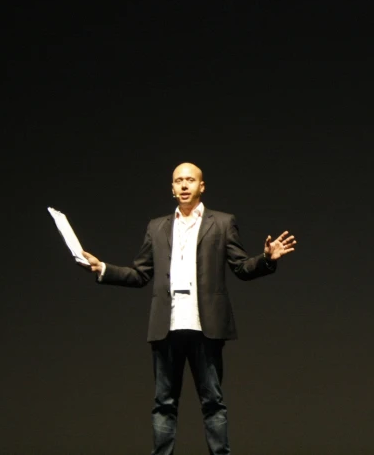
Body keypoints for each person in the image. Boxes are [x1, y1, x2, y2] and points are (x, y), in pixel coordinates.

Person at [78, 162, 297, 455]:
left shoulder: (221, 222)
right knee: (164, 403)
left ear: (201, 186)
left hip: (205, 326)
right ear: (172, 188)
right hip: (166, 326)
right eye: (178, 181)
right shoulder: (156, 227)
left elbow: (241, 267)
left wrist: (267, 259)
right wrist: (102, 267)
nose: (184, 185)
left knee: (213, 402)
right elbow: (140, 273)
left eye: (190, 180)